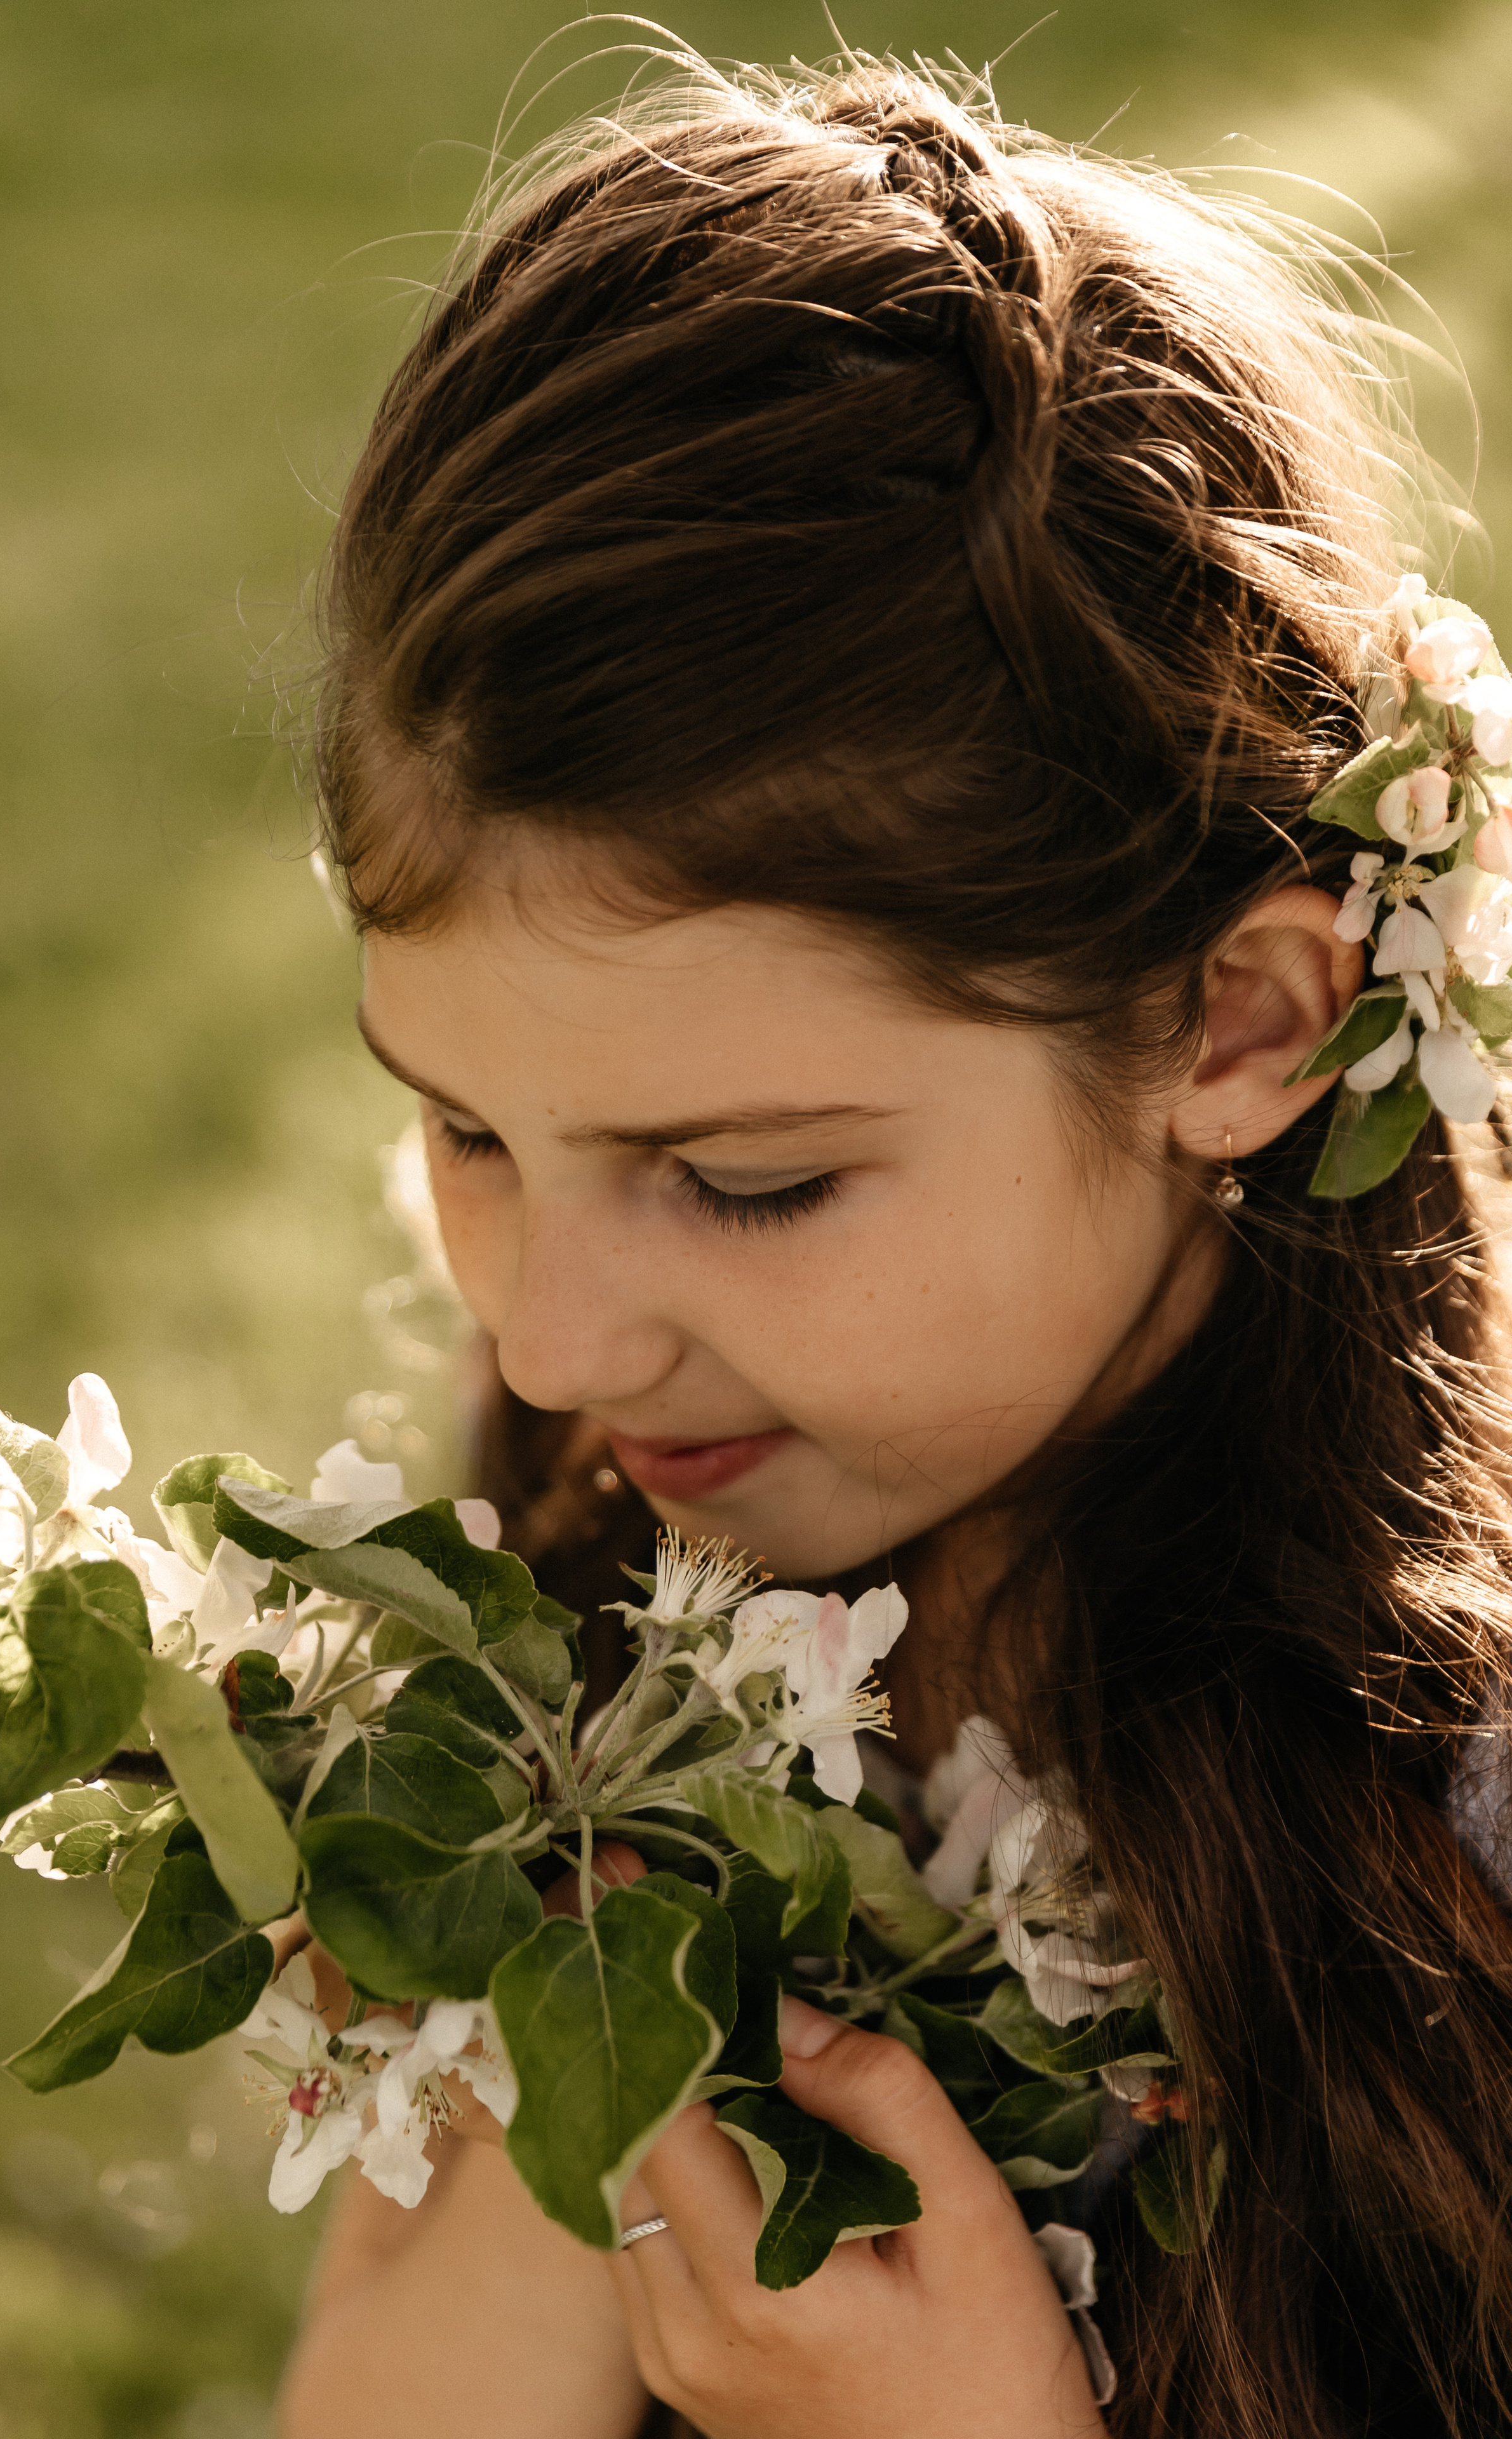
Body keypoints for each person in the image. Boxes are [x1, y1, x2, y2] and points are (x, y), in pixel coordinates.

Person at [276, 45, 1512, 2439]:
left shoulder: (1453, 1830)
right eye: (462, 1127)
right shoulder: (593, 1607)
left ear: (1241, 1025)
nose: (546, 1339)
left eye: (749, 1179)